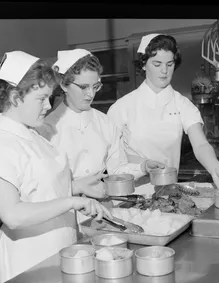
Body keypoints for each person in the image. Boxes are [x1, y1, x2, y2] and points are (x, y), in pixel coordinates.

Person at [0, 51, 111, 283]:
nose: (49, 106)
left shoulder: (31, 134)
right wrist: (71, 201)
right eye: (41, 98)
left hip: (60, 247)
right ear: (16, 97)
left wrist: (77, 187)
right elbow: (13, 215)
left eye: (49, 97)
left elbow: (39, 188)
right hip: (29, 259)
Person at [35, 48, 165, 205]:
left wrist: (143, 167)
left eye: (95, 86)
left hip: (102, 208)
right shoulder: (45, 129)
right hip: (64, 211)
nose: (90, 94)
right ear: (64, 84)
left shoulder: (105, 123)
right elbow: (41, 187)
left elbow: (116, 170)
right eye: (83, 87)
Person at [107, 34, 219, 189]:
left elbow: (201, 144)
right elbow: (113, 159)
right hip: (131, 191)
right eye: (157, 64)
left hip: (168, 191)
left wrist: (216, 169)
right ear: (143, 64)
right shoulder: (121, 108)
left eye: (169, 64)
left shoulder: (182, 104)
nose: (164, 71)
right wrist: (142, 165)